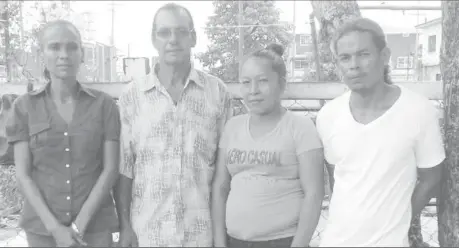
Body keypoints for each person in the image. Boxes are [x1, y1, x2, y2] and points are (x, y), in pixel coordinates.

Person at [316, 18, 445, 247]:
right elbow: (338, 178)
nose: (354, 65)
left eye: (363, 54)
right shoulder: (328, 115)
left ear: (384, 56)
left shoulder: (418, 111)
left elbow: (432, 178)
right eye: (345, 58)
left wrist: (399, 218)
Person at [114, 3, 233, 247]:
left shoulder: (217, 93)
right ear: (153, 39)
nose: (173, 40)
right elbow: (124, 169)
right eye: (164, 32)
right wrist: (125, 227)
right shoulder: (133, 96)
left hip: (201, 235)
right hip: (147, 234)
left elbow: (225, 171)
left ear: (194, 38)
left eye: (181, 31)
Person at [5, 20, 121, 247]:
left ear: (82, 53)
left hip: (95, 228)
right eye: (54, 47)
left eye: (72, 47)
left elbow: (110, 169)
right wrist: (55, 229)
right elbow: (23, 175)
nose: (64, 54)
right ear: (41, 54)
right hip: (42, 230)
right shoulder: (24, 107)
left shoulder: (105, 105)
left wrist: (79, 226)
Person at [212, 44, 325, 248]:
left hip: (284, 241)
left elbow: (314, 194)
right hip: (234, 241)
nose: (253, 90)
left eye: (263, 81)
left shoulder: (300, 128)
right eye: (246, 82)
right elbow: (220, 187)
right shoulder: (232, 127)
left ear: (282, 84)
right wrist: (220, 243)